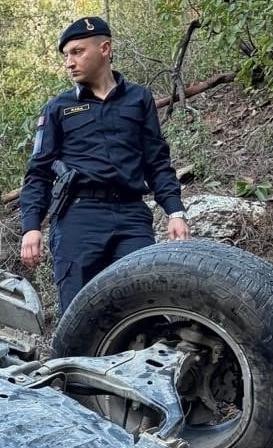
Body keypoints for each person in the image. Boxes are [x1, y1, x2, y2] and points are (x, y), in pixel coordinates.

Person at [19, 16, 190, 314]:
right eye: (66, 56)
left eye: (77, 52)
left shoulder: (138, 99)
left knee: (144, 305)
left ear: (105, 48)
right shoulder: (58, 108)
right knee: (80, 314)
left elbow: (157, 161)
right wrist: (31, 227)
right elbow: (39, 172)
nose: (69, 63)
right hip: (78, 219)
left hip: (131, 217)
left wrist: (175, 212)